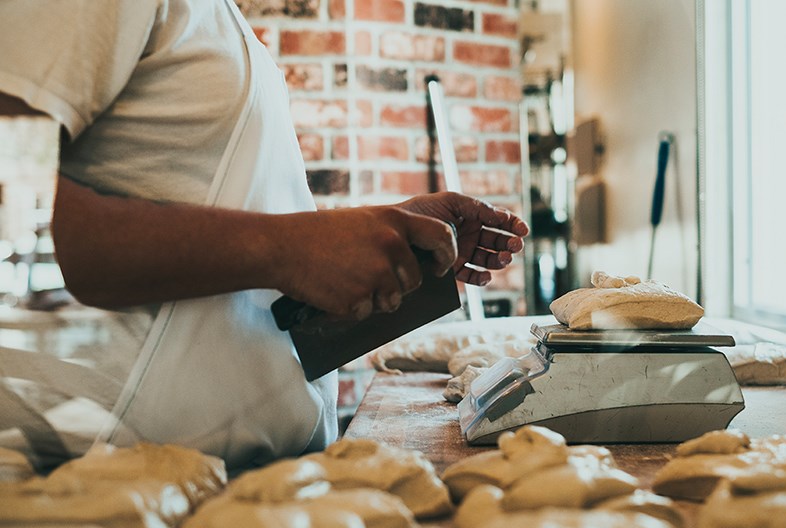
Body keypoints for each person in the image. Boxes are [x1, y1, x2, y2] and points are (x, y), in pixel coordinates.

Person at [0, 1, 528, 469]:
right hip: (96, 483)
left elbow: (230, 232)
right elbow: (17, 207)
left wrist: (373, 240)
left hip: (220, 480)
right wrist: (289, 249)